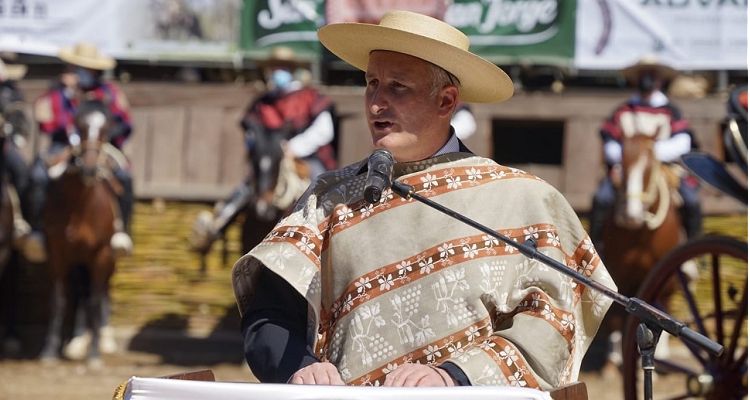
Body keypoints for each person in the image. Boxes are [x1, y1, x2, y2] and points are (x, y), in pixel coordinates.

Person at [231, 11, 615, 389]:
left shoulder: (524, 199)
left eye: (397, 87)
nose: (376, 102)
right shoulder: (327, 200)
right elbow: (270, 315)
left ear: (446, 101)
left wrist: (456, 376)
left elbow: (553, 320)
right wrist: (300, 366)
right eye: (371, 83)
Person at [188, 46, 337, 253]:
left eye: (282, 67)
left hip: (304, 157)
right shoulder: (263, 103)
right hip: (268, 163)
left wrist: (292, 148)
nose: (277, 71)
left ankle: (330, 239)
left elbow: (324, 130)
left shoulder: (310, 97)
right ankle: (215, 227)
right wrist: (258, 151)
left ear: (292, 69)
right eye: (274, 67)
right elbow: (251, 134)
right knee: (246, 191)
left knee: (322, 190)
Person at [28, 42, 134, 262]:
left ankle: (122, 231)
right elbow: (46, 122)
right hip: (64, 145)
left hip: (100, 146)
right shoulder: (58, 94)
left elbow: (125, 122)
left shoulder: (109, 93)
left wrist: (103, 135)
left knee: (124, 176)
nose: (81, 72)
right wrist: (65, 95)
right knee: (38, 174)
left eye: (86, 67)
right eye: (77, 67)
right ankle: (36, 229)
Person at [588, 56, 702, 254]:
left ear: (659, 80)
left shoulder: (670, 111)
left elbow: (683, 141)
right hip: (626, 167)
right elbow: (609, 144)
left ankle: (692, 251)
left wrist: (651, 154)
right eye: (643, 76)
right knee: (602, 198)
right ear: (634, 80)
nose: (647, 80)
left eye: (651, 76)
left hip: (663, 167)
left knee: (691, 200)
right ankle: (597, 249)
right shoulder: (623, 111)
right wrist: (629, 157)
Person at [0, 56, 33, 243]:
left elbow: (19, 119)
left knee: (20, 169)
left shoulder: (11, 93)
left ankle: (20, 219)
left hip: (3, 145)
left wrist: (11, 131)